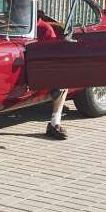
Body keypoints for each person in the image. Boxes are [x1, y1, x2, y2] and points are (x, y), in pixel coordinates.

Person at [36, 12, 69, 140]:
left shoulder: (45, 28)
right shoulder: (5, 24)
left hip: (36, 68)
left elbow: (52, 54)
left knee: (63, 78)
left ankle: (55, 122)